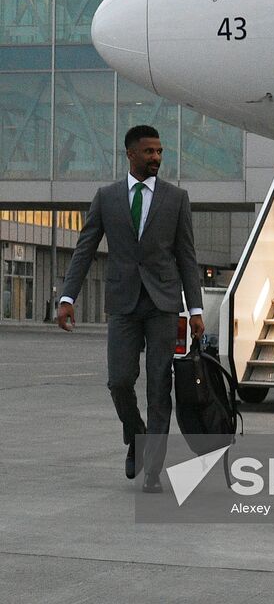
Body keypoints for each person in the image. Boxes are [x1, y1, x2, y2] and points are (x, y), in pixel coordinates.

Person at [57, 125, 204, 494]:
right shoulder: (106, 197)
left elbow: (186, 257)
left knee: (159, 385)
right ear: (130, 154)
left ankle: (153, 469)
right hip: (122, 302)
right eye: (149, 152)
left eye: (159, 151)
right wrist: (67, 297)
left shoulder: (176, 198)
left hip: (163, 305)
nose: (156, 157)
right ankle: (135, 434)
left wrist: (196, 308)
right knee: (119, 381)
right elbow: (85, 248)